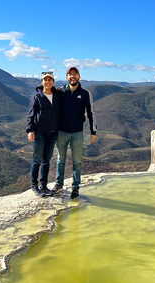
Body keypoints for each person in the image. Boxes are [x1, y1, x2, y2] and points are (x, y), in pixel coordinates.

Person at [52, 66, 97, 199]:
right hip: (61, 132)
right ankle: (58, 184)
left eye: (75, 74)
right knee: (60, 160)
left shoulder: (85, 93)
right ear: (66, 77)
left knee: (77, 161)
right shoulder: (60, 91)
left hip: (77, 133)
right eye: (70, 74)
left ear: (79, 77)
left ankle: (75, 187)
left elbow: (91, 112)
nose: (72, 76)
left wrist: (93, 131)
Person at [26, 71, 60, 197]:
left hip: (52, 133)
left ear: (53, 82)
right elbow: (31, 114)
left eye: (50, 79)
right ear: (42, 82)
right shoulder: (36, 97)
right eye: (45, 80)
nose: (47, 82)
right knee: (37, 159)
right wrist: (30, 130)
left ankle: (44, 185)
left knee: (47, 160)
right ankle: (34, 185)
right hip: (39, 132)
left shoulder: (57, 96)